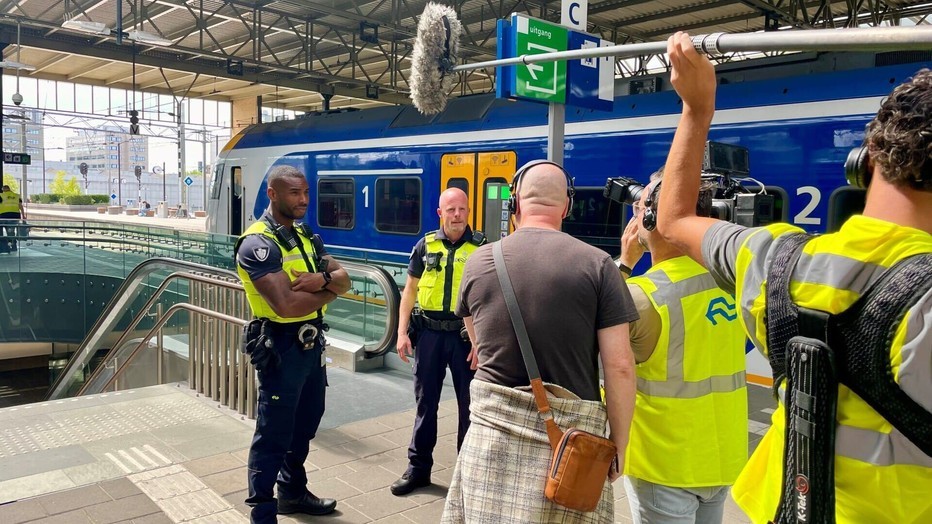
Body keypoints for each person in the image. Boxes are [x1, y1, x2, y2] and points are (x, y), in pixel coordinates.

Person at [656, 33, 932, 523]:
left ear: (865, 162)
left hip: (766, 509)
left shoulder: (776, 261)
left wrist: (696, 110)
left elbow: (674, 219)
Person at [442, 160, 639, 523]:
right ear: (567, 206)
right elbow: (620, 366)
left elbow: (479, 343)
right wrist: (619, 445)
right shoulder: (599, 266)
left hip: (491, 441)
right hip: (570, 449)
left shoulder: (479, 261)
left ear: (514, 202)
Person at [618, 169, 748, 524]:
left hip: (664, 464)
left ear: (652, 219)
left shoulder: (643, 296)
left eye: (640, 205)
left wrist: (625, 263)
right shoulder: (736, 282)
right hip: (722, 456)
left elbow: (592, 334)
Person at [234, 165, 350, 524]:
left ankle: (292, 492)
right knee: (273, 432)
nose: (303, 200)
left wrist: (323, 280)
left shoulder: (305, 236)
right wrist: (330, 289)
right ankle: (263, 513)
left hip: (310, 344)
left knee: (306, 422)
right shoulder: (257, 245)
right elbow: (285, 305)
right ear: (273, 194)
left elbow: (345, 279)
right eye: (294, 194)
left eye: (305, 193)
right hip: (280, 347)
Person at [391, 187, 484, 496]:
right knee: (424, 404)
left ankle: (467, 475)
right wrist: (402, 332)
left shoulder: (482, 248)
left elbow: (491, 299)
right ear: (440, 213)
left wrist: (482, 344)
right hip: (429, 334)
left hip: (465, 339)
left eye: (462, 209)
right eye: (451, 210)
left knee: (469, 407)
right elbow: (409, 291)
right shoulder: (425, 246)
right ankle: (418, 470)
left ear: (468, 212)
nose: (457, 215)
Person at [0, 184, 25, 253]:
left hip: (3, 216)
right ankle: (13, 247)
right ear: (9, 189)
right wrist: (23, 215)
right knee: (11, 232)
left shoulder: (1, 195)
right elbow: (20, 206)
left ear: (3, 190)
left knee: (0, 232)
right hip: (15, 216)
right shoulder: (17, 196)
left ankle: (3, 247)